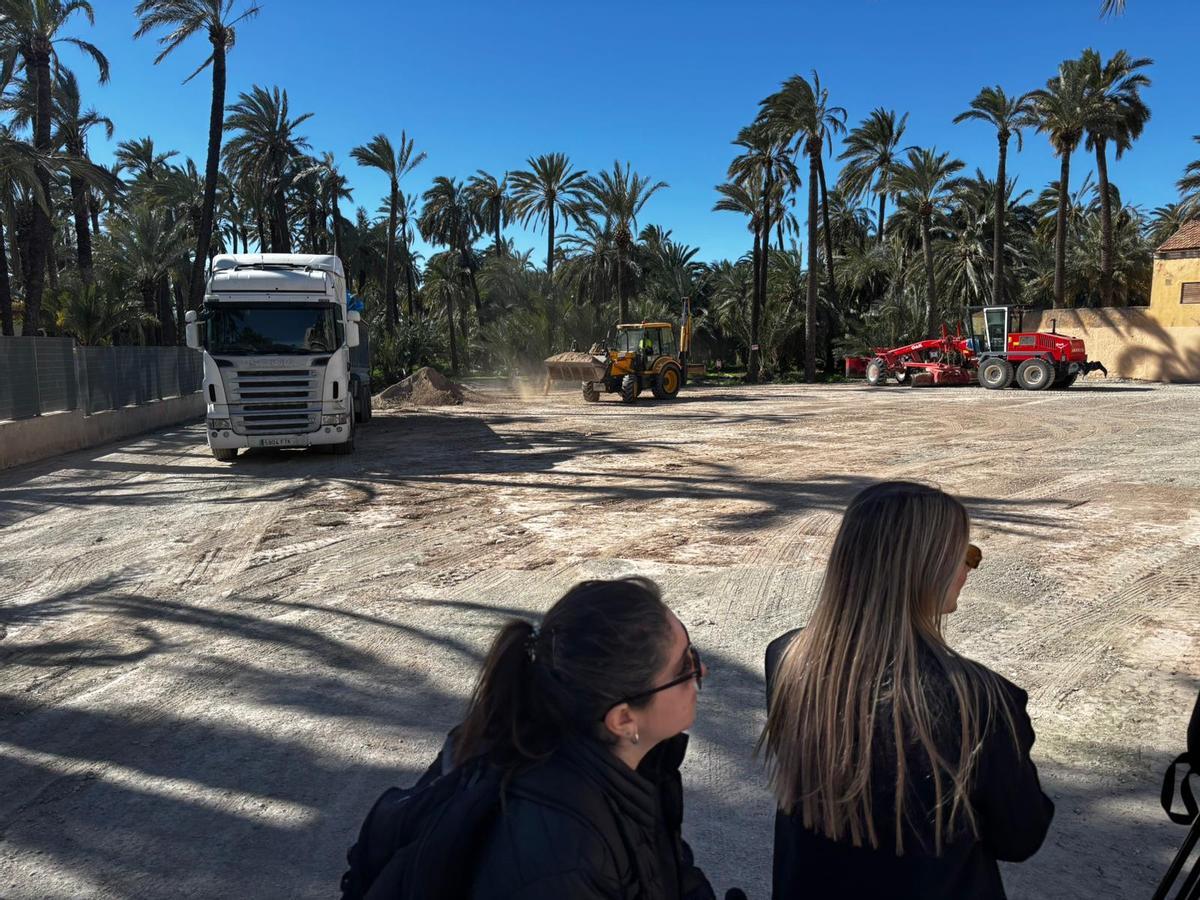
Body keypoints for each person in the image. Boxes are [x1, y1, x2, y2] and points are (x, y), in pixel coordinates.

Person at [760, 481, 1053, 900]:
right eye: (966, 555)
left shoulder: (787, 658)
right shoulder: (981, 698)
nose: (970, 569)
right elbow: (1020, 837)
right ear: (929, 569)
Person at [345, 577, 717, 900]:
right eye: (684, 666)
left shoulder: (632, 763)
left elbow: (668, 879)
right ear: (622, 719)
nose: (702, 669)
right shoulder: (562, 859)